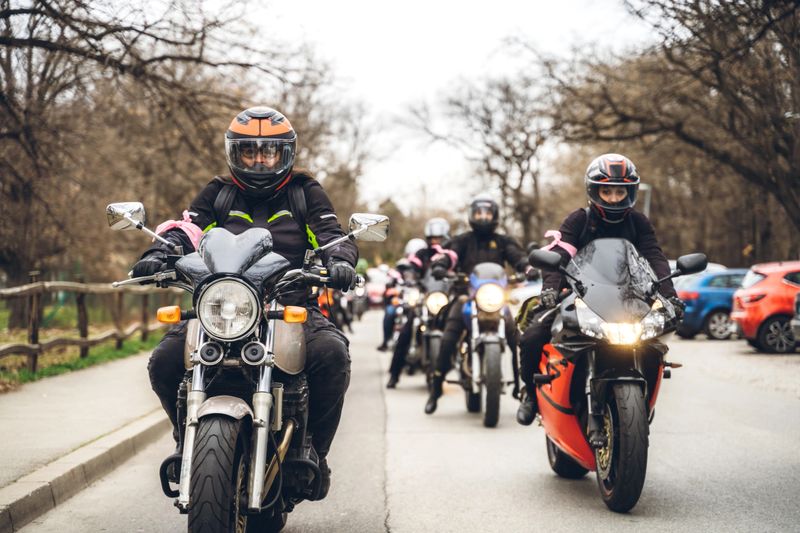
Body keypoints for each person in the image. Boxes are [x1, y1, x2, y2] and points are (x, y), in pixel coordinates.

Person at [132, 106, 358, 498]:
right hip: (223, 307)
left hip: (288, 304)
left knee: (331, 354)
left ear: (286, 153)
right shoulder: (219, 192)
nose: (258, 160)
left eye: (268, 152)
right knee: (165, 360)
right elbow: (188, 229)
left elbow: (329, 233)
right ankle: (186, 439)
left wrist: (340, 261)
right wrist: (159, 253)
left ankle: (313, 450)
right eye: (248, 151)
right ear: (234, 153)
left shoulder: (304, 192)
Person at [515, 153, 684, 426]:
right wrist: (550, 289)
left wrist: (670, 295)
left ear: (630, 192)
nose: (614, 198)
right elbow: (560, 254)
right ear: (594, 191)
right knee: (533, 334)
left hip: (630, 300)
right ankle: (529, 395)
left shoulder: (639, 222)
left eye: (620, 192)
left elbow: (655, 257)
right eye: (607, 191)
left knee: (654, 343)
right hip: (581, 296)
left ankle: (643, 402)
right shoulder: (578, 220)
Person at [424, 197, 530, 414]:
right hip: (466, 296)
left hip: (496, 298)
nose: (483, 217)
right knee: (448, 337)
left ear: (495, 216)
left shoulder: (503, 241)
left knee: (517, 338)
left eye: (487, 213)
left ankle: (522, 387)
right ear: (472, 216)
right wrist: (441, 265)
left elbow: (518, 258)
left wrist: (528, 268)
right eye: (479, 213)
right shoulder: (462, 241)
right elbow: (449, 255)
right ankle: (436, 388)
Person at [387, 218, 457, 388]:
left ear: (446, 237)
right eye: (432, 238)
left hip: (446, 299)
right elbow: (412, 267)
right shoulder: (422, 254)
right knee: (406, 332)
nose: (435, 241)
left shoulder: (452, 255)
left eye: (439, 238)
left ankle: (466, 364)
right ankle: (394, 374)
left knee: (459, 326)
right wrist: (410, 277)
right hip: (426, 298)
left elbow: (460, 271)